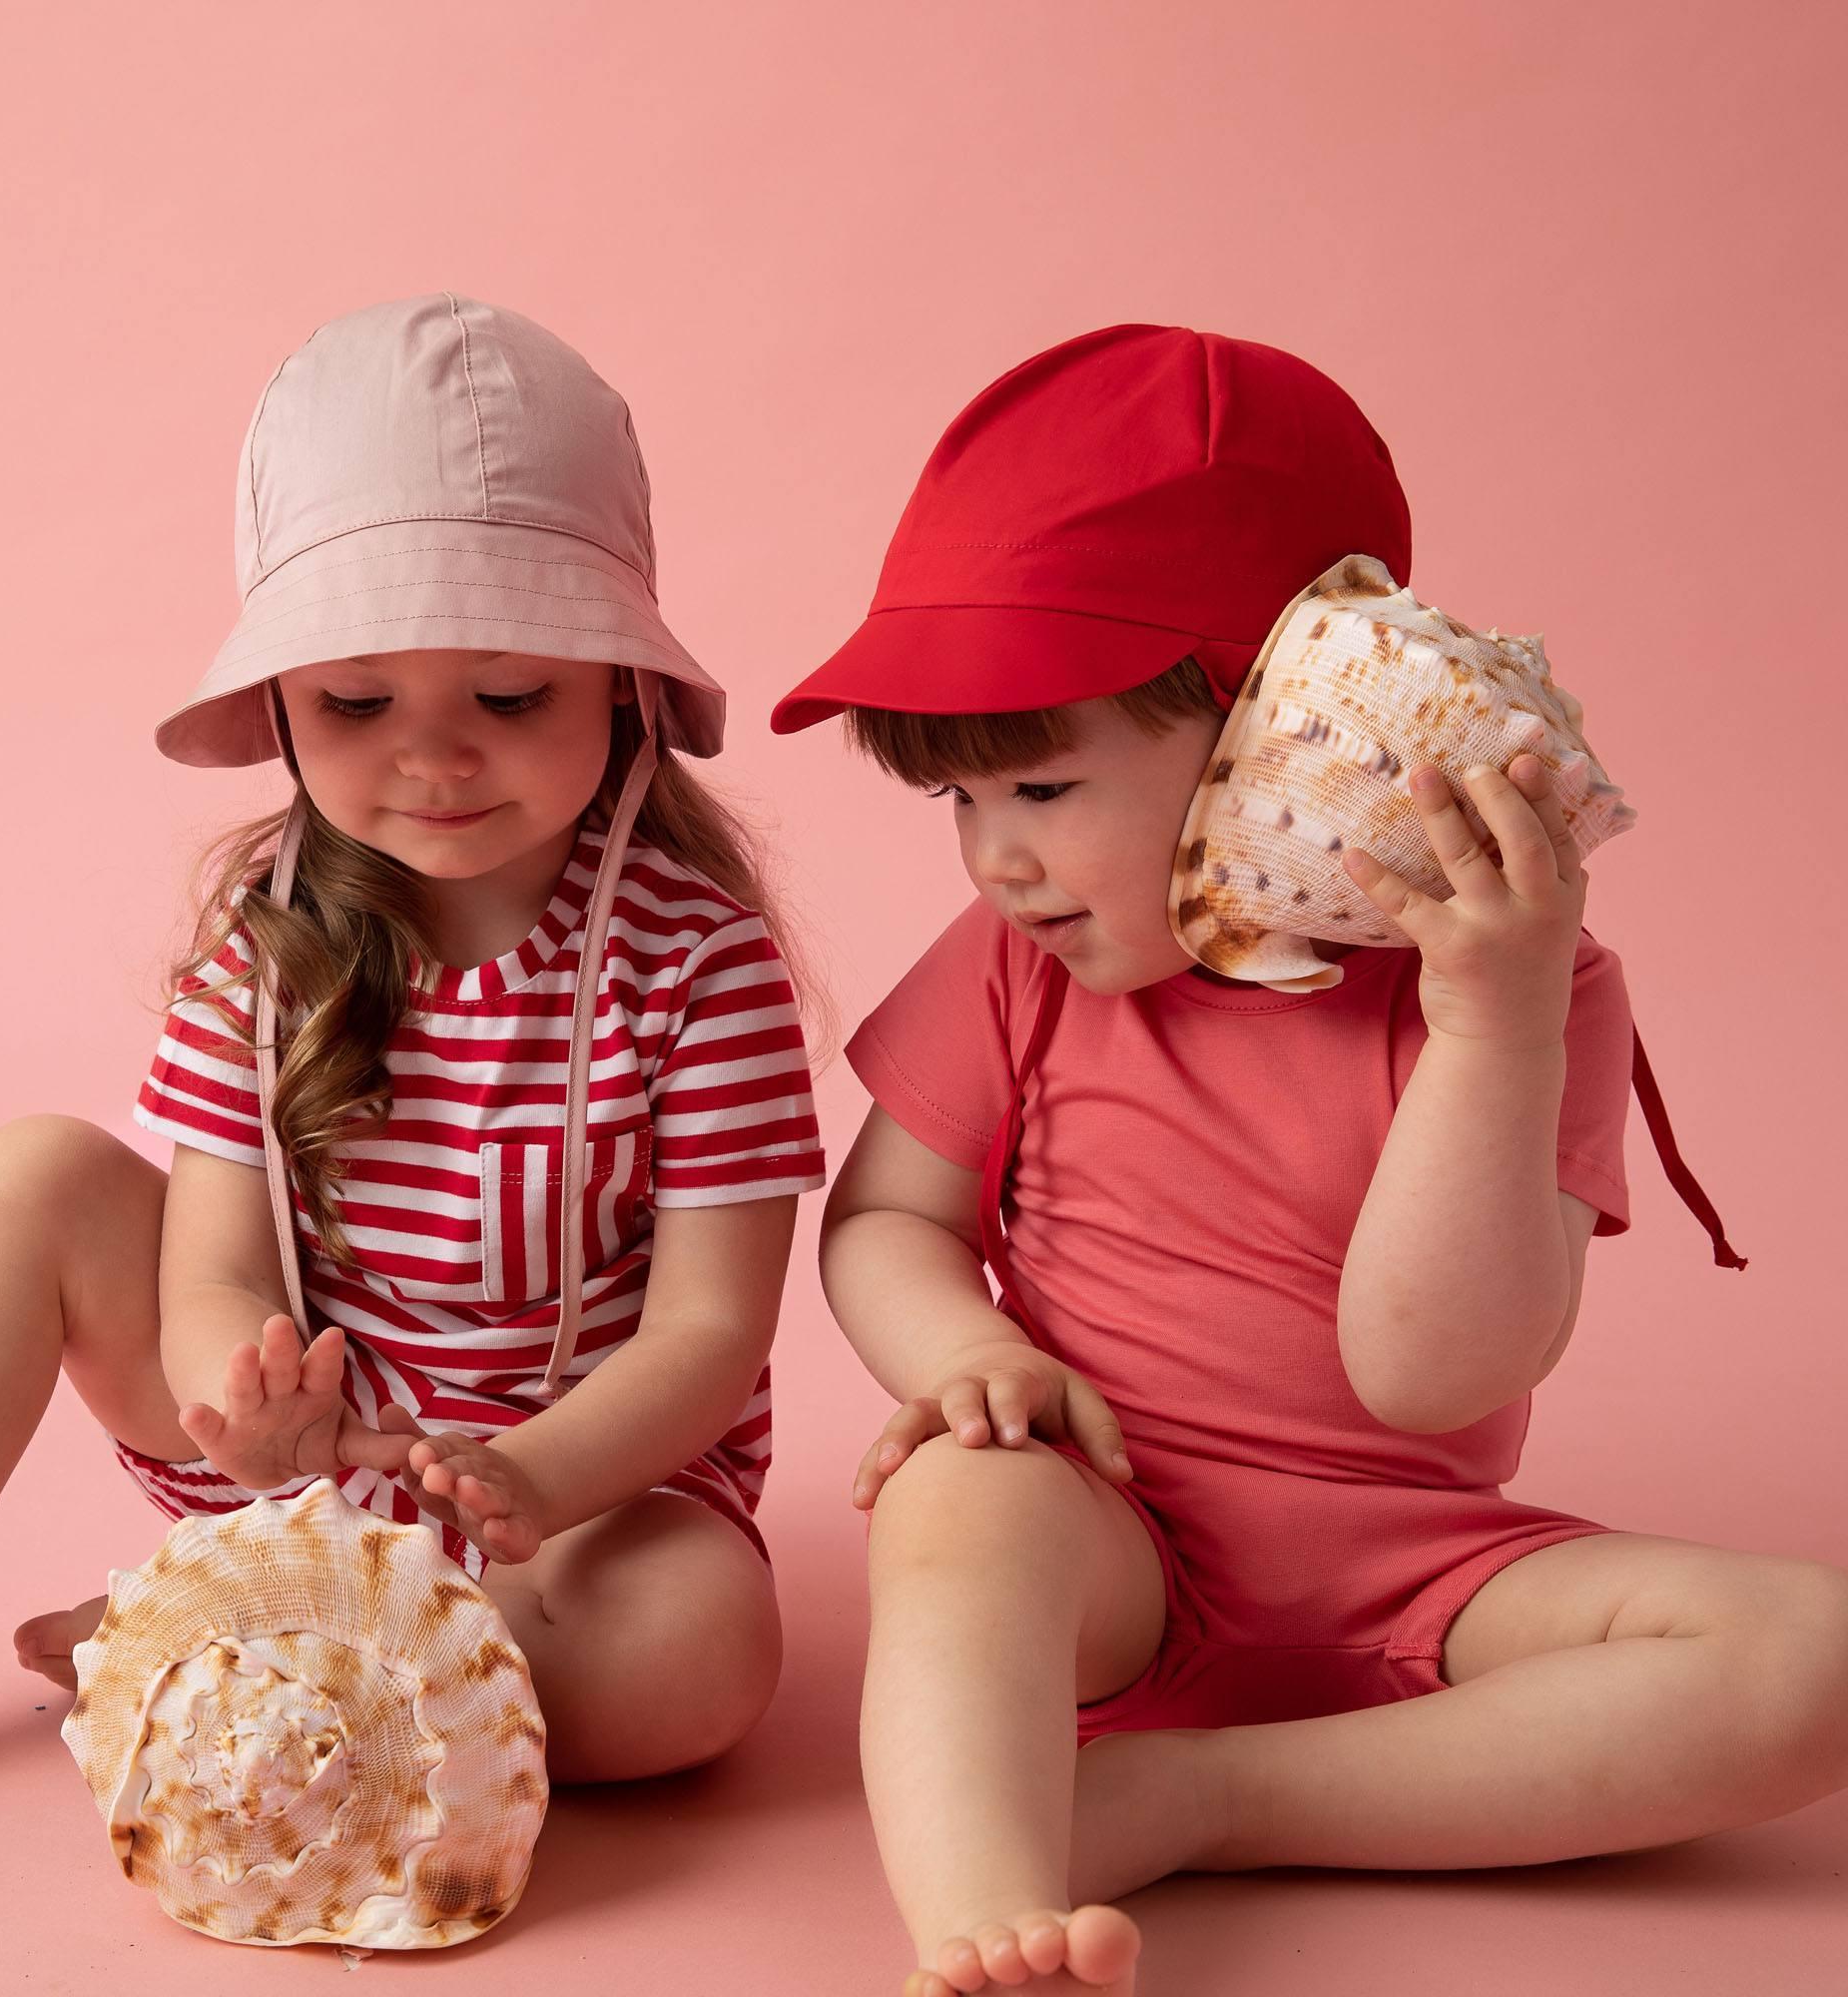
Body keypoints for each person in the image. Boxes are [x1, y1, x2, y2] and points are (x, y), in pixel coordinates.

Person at [771, 324, 1848, 1997]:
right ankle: (984, 1921)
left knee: (1813, 1661)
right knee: (955, 1495)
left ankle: (1213, 1802)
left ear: (1273, 732)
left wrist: (1492, 1029)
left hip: (1421, 1569)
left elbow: (1431, 1378)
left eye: (1042, 787)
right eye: (960, 809)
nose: (997, 861)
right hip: (1106, 1530)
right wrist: (971, 1355)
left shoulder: (1522, 988)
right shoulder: (1018, 966)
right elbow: (883, 1222)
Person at [0, 293, 827, 1788]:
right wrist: (241, 1407)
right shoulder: (270, 945)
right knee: (25, 1175)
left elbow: (711, 1331)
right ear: (281, 704)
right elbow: (216, 1263)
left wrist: (537, 1475)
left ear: (624, 686)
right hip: (302, 1459)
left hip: (573, 1509)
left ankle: (245, 1652)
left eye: (511, 694)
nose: (432, 755)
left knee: (699, 1661)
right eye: (358, 700)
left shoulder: (700, 963)